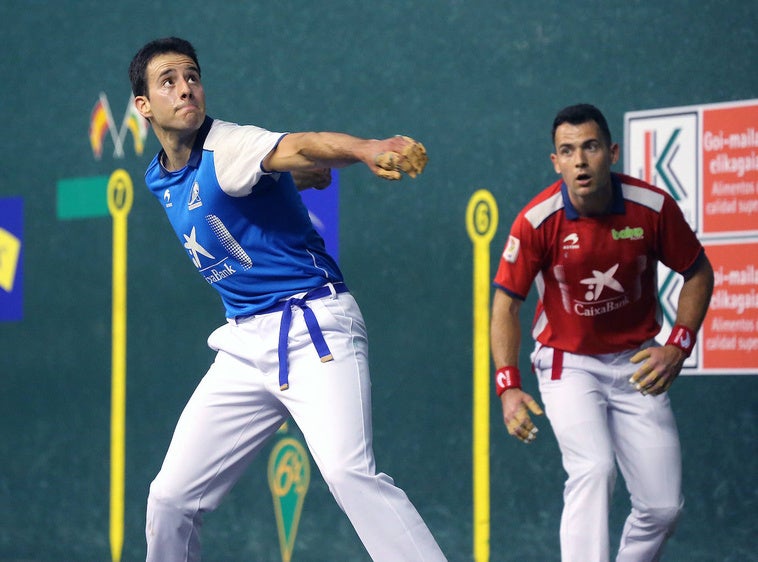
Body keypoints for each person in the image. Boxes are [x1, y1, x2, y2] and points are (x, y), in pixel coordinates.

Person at [128, 37, 446, 562]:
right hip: (243, 343)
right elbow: (261, 182)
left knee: (349, 473)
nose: (186, 88)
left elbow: (300, 144)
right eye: (169, 81)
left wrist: (367, 149)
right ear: (144, 106)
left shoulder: (226, 145)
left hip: (312, 327)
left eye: (192, 76)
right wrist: (290, 179)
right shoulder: (160, 176)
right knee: (169, 499)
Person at [490, 103, 714, 561]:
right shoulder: (536, 221)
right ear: (555, 162)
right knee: (592, 468)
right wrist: (508, 386)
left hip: (636, 363)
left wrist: (678, 345)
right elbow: (505, 306)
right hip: (566, 362)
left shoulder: (651, 207)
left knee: (663, 506)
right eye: (567, 151)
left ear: (611, 152)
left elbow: (699, 273)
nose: (579, 160)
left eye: (590, 147)